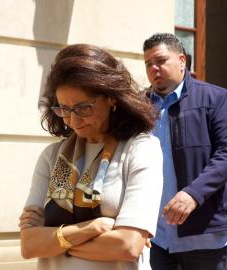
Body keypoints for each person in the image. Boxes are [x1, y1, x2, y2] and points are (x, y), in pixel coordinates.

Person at [19, 44, 163, 270]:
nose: (73, 121)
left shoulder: (140, 149)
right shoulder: (51, 156)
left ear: (111, 99)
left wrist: (53, 240)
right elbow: (29, 246)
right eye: (64, 109)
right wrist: (91, 228)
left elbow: (127, 246)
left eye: (83, 108)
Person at [143, 33, 227, 270]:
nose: (154, 68)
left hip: (203, 233)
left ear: (182, 61)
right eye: (148, 63)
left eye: (160, 60)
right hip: (154, 237)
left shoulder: (216, 98)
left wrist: (193, 194)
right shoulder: (139, 106)